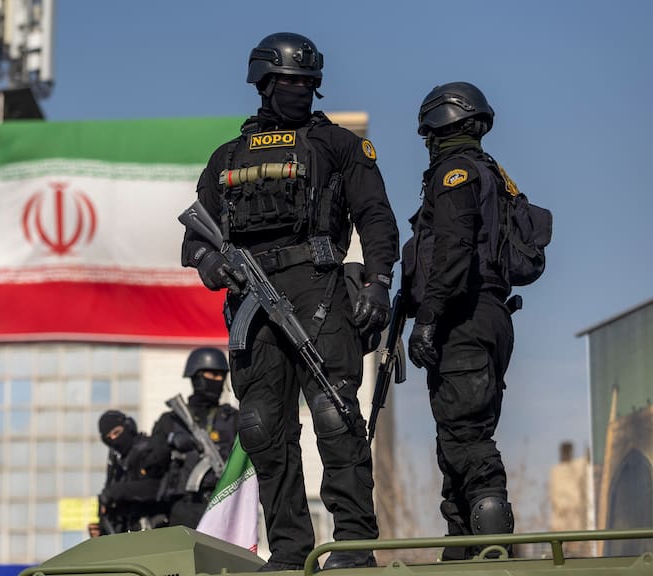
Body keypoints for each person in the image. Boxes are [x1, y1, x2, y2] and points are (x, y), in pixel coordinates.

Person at [181, 32, 399, 570]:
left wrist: (377, 282)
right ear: (264, 83)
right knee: (259, 426)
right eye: (291, 82)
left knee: (334, 413)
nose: (302, 91)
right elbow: (194, 242)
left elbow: (375, 216)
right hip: (251, 301)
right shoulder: (226, 158)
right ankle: (291, 551)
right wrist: (214, 264)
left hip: (319, 285)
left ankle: (351, 547)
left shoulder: (339, 145)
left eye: (309, 83)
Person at [402, 81, 516, 559]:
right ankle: (462, 552)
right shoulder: (492, 174)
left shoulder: (455, 173)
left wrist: (427, 318)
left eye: (429, 134)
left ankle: (492, 552)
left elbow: (453, 252)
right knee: (455, 440)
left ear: (442, 126)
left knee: (468, 440)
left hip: (463, 319)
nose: (427, 144)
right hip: (488, 317)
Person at [151, 347, 238, 529]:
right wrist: (172, 440)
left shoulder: (232, 419)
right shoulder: (171, 421)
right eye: (211, 375)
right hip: (184, 507)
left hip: (224, 504)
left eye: (220, 376)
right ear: (196, 377)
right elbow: (153, 465)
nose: (217, 380)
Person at [97, 410, 169, 534]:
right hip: (131, 535)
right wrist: (102, 530)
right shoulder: (117, 465)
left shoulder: (149, 449)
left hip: (158, 528)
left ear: (128, 426)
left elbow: (159, 487)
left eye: (117, 432)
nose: (114, 439)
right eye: (109, 438)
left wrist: (120, 491)